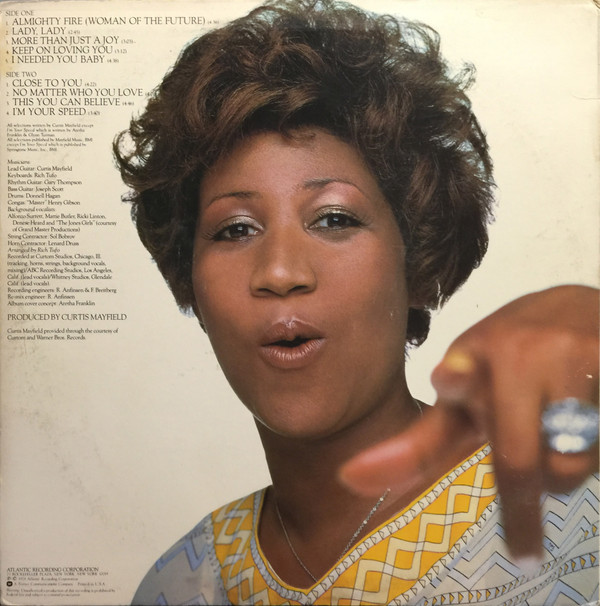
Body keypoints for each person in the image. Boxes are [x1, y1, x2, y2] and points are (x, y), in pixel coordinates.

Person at [114, 0, 599, 604]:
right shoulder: (176, 586)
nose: (280, 272)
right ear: (190, 281)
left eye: (334, 218)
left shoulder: (574, 518)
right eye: (235, 229)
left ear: (416, 262)